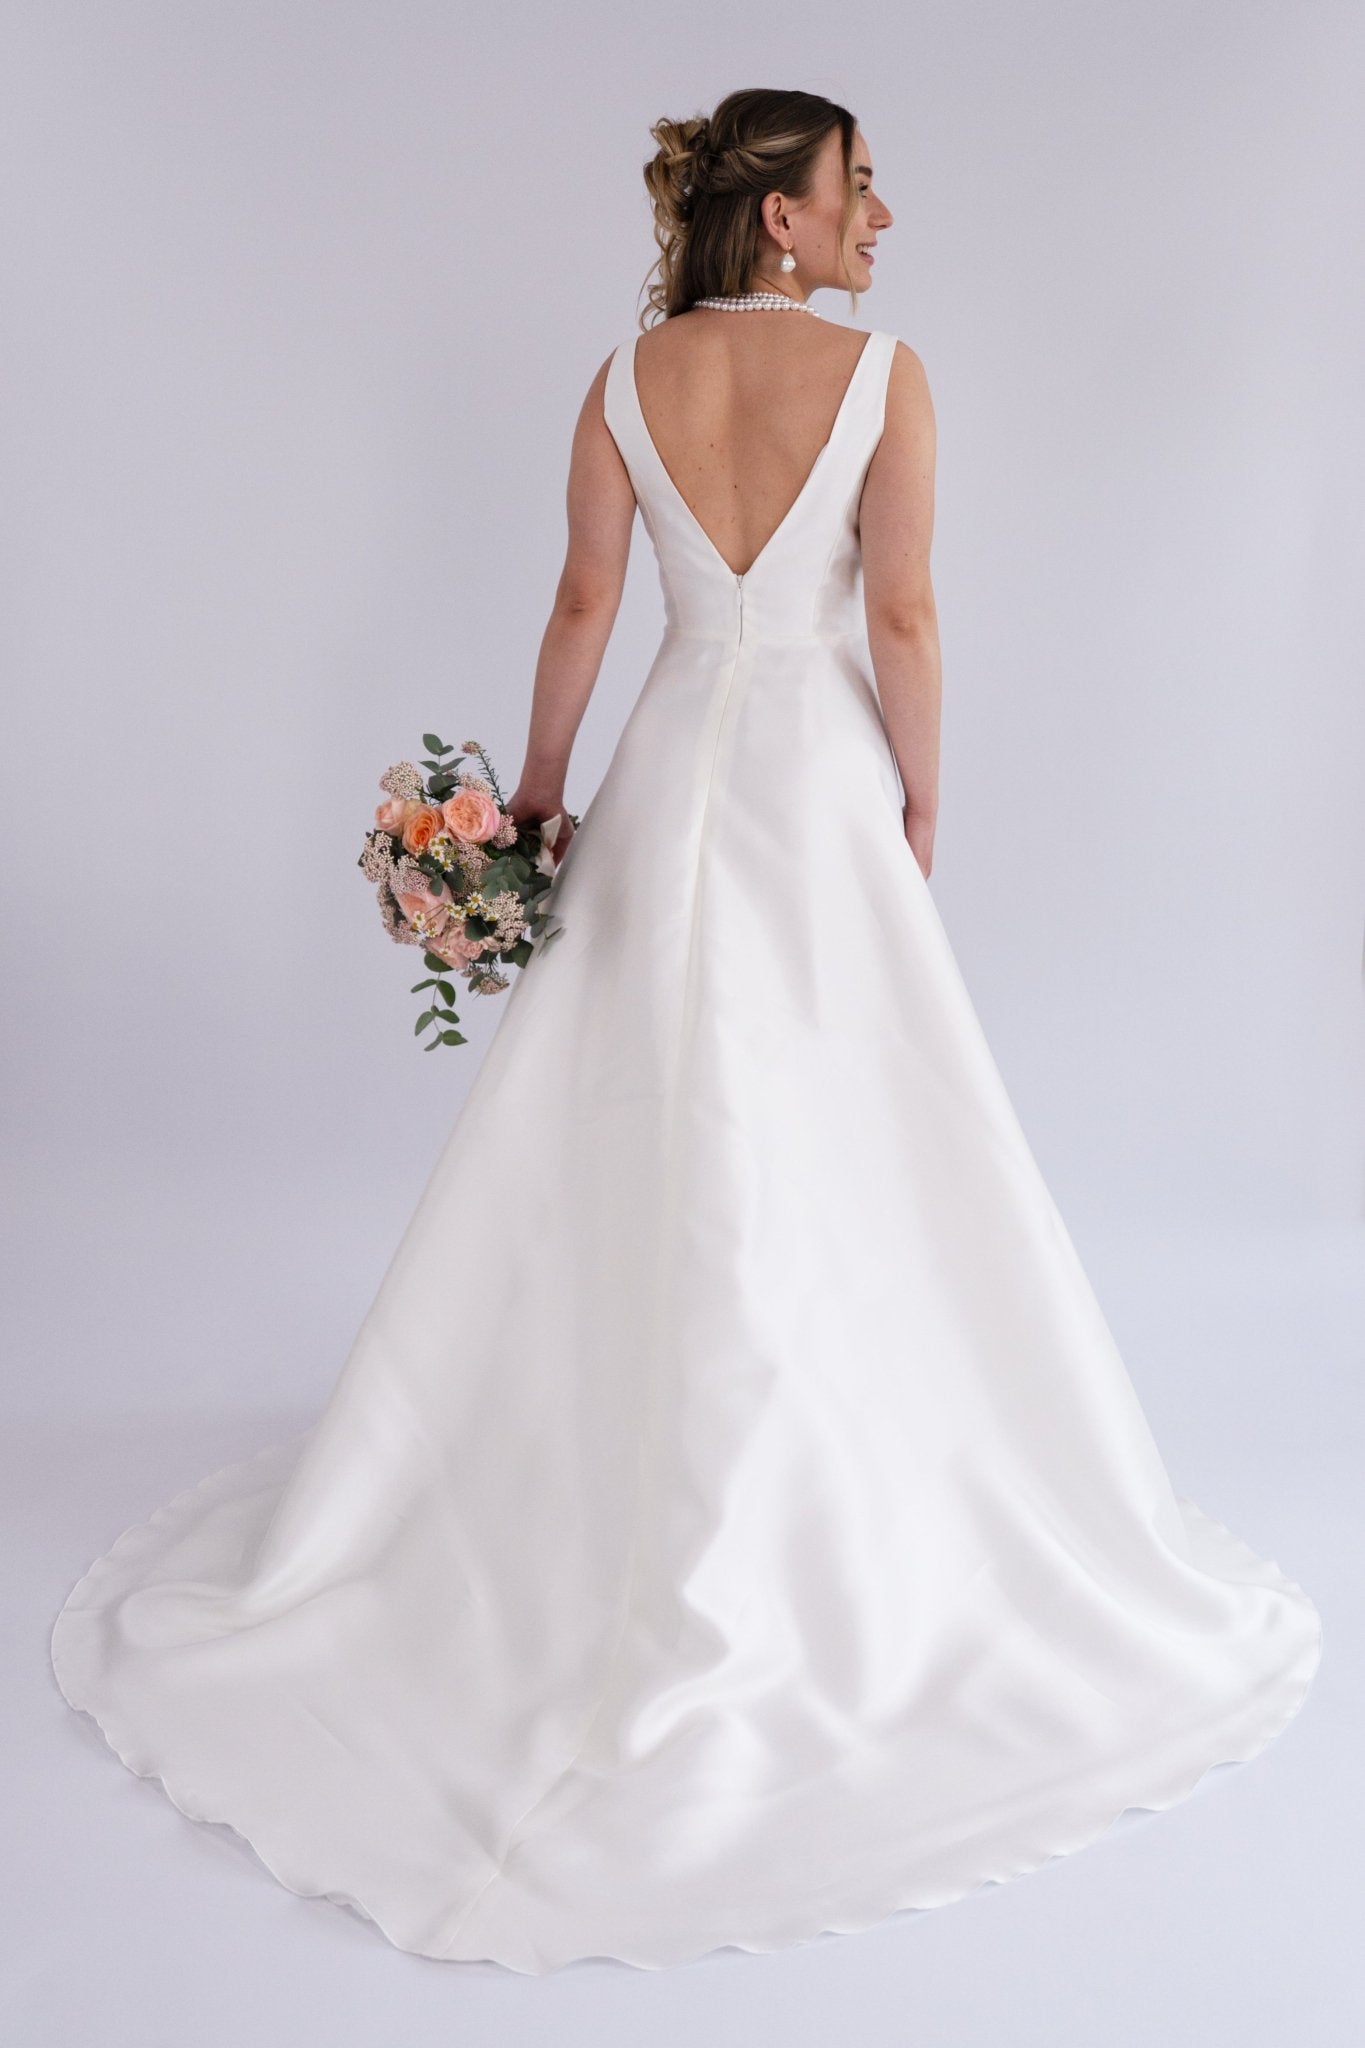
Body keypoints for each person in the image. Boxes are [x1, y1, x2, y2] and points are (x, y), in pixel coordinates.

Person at [50, 87, 1321, 1975]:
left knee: (628, 1107)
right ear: (782, 219)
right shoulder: (884, 376)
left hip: (663, 765)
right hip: (809, 775)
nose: (881, 215)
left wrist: (534, 801)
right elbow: (904, 615)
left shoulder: (625, 378)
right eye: (856, 186)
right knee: (841, 1117)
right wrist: (922, 791)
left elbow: (585, 600)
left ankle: (572, 1473)